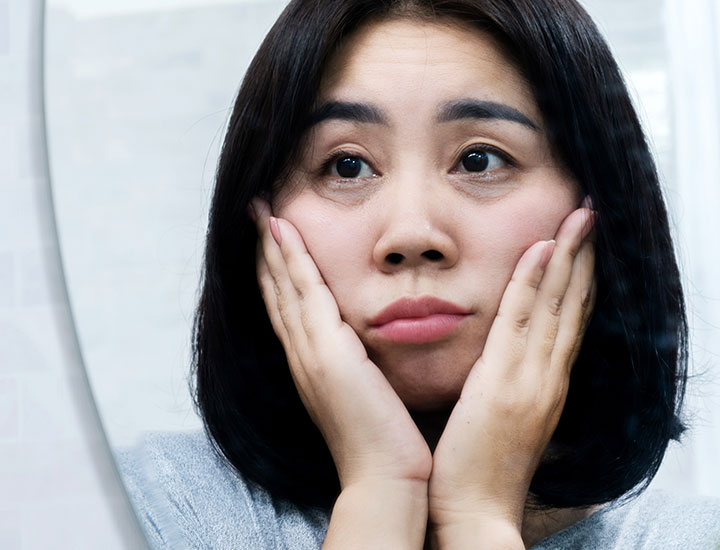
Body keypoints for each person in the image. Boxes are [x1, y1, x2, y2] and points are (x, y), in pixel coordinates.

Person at [119, 0, 720, 548]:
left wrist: (477, 518)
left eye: (479, 159)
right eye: (347, 165)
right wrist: (380, 493)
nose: (410, 234)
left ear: (599, 206)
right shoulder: (149, 507)